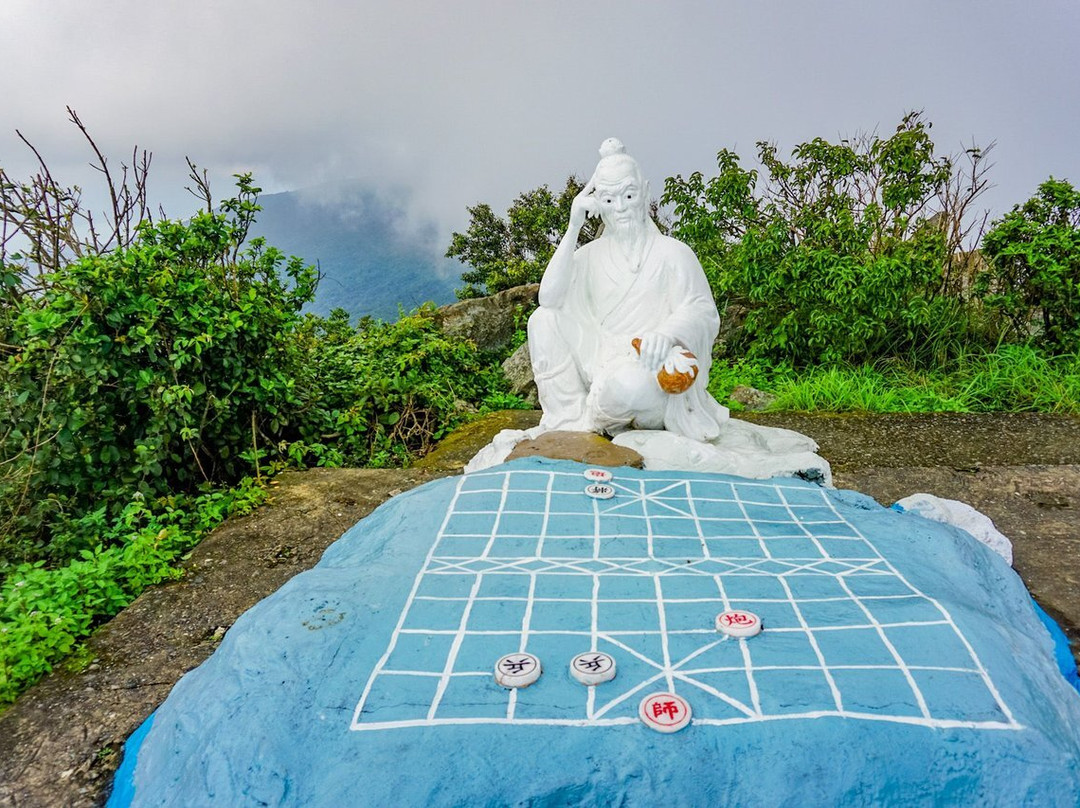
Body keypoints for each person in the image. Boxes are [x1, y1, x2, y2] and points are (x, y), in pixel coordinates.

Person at [527, 138, 729, 441]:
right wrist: (573, 227)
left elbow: (701, 310)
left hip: (646, 364)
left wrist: (667, 333)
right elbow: (549, 299)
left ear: (645, 192)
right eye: (608, 200)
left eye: (629, 196)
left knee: (629, 387)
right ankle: (571, 418)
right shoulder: (589, 255)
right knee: (541, 320)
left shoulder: (673, 253)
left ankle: (610, 409)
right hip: (598, 355)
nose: (620, 209)